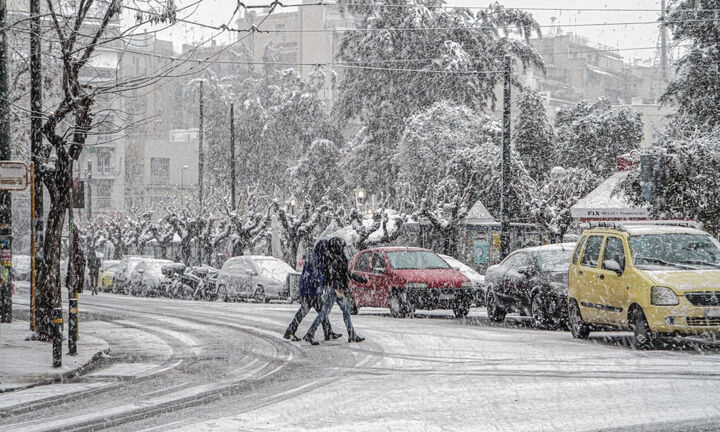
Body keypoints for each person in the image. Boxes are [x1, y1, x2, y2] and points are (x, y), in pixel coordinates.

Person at [303, 237, 367, 345]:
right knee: (331, 311)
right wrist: (362, 280)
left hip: (333, 288)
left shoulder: (330, 258)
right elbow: (347, 274)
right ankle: (310, 333)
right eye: (342, 247)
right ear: (338, 247)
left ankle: (311, 333)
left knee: (335, 310)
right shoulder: (338, 259)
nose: (344, 249)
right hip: (336, 289)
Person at [283, 240, 341, 341]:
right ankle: (327, 332)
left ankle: (290, 331)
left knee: (305, 311)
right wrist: (320, 283)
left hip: (309, 289)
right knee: (319, 311)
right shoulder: (316, 259)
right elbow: (315, 275)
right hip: (312, 290)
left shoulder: (314, 257)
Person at [65, 230, 86, 296]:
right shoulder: (76, 247)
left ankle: (73, 301)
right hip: (75, 274)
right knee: (73, 292)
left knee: (73, 292)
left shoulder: (76, 248)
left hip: (75, 274)